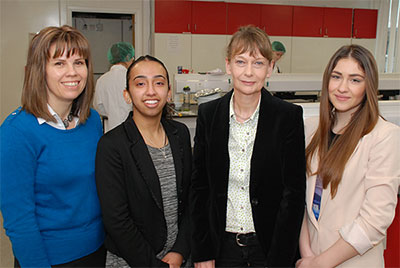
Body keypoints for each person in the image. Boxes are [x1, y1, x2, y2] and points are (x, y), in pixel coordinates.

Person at [190, 25, 306, 267]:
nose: (249, 72)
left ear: (270, 68)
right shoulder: (209, 115)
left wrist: (280, 258)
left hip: (268, 247)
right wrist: (203, 251)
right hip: (222, 246)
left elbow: (293, 194)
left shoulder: (288, 117)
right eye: (241, 62)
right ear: (228, 65)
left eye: (258, 63)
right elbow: (200, 187)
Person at [0, 25, 106, 267]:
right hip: (49, 257)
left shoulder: (91, 121)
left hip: (96, 250)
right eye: (59, 63)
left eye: (79, 62)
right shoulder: (17, 132)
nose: (73, 72)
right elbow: (19, 220)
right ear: (40, 71)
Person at [297, 44, 400, 267]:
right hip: (310, 255)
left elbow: (376, 219)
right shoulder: (311, 129)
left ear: (368, 86)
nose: (342, 87)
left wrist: (319, 263)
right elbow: (301, 201)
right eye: (336, 77)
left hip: (353, 261)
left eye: (355, 80)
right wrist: (307, 254)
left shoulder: (384, 136)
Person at [95, 55, 191, 267]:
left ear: (168, 92)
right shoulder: (112, 146)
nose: (150, 91)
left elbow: (190, 199)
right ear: (127, 95)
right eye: (140, 83)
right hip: (132, 261)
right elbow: (117, 220)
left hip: (177, 259)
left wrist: (180, 251)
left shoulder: (180, 134)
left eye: (159, 82)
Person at [94, 42, 134, 132]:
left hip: (110, 129)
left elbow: (99, 107)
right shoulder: (132, 78)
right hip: (131, 129)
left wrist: (112, 113)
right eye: (132, 58)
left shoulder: (102, 80)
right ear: (127, 57)